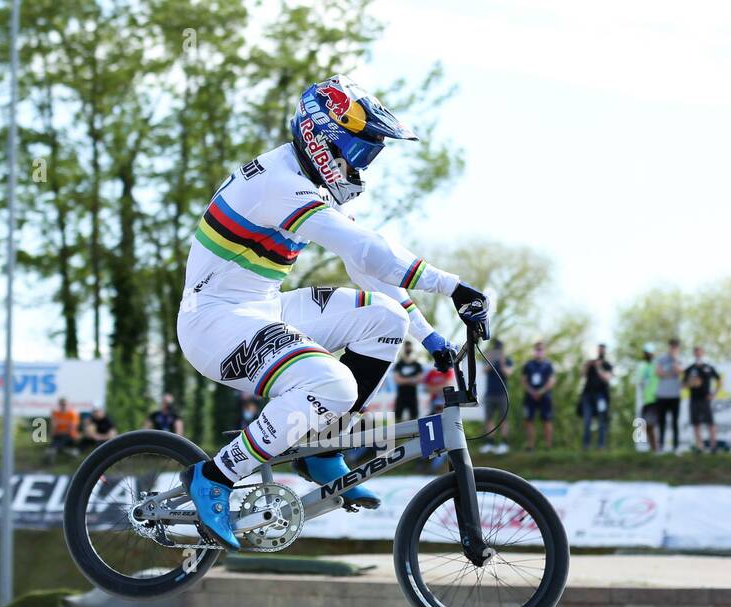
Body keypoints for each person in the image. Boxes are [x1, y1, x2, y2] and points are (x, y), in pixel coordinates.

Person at [173, 75, 489, 549]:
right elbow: (369, 249)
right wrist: (452, 286)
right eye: (361, 153)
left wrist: (426, 336)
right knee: (333, 384)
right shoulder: (283, 186)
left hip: (256, 308)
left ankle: (322, 451)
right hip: (216, 325)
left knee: (386, 319)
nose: (362, 168)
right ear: (323, 141)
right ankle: (216, 474)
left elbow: (367, 267)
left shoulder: (301, 178)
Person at [683, 345, 720, 453]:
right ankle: (700, 446)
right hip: (694, 399)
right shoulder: (690, 369)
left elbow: (719, 380)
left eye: (700, 351)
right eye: (696, 352)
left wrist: (714, 394)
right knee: (696, 423)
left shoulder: (709, 367)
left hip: (705, 399)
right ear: (694, 354)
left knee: (710, 422)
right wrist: (691, 382)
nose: (698, 354)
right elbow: (684, 384)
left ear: (703, 353)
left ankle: (713, 446)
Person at [521, 340, 555, 452]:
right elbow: (524, 380)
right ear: (534, 351)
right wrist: (531, 391)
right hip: (530, 396)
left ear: (544, 351)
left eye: (541, 349)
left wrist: (541, 391)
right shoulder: (528, 364)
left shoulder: (548, 365)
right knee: (529, 420)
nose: (539, 352)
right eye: (537, 349)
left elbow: (552, 380)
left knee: (547, 420)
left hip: (545, 396)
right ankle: (530, 446)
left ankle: (548, 446)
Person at [481, 339, 514, 453]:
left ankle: (504, 443)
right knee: (489, 419)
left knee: (503, 419)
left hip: (502, 395)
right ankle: (490, 443)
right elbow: (484, 370)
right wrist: (490, 360)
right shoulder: (489, 360)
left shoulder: (507, 360)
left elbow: (508, 373)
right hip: (490, 394)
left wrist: (502, 361)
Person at [579, 343, 613, 451]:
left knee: (602, 421)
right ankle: (586, 446)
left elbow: (607, 378)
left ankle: (601, 446)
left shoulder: (607, 365)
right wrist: (587, 365)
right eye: (599, 349)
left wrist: (598, 367)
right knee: (587, 420)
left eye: (602, 350)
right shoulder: (591, 363)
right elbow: (582, 375)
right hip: (588, 395)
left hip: (601, 397)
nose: (600, 352)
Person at [654, 339, 683, 451]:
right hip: (662, 395)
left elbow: (679, 371)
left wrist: (674, 360)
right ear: (669, 346)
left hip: (675, 395)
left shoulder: (680, 359)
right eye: (672, 346)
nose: (673, 348)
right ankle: (660, 446)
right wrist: (669, 373)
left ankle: (675, 447)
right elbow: (658, 373)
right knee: (661, 422)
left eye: (676, 347)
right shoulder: (661, 359)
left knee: (675, 422)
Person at [391, 341, 424, 425]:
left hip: (413, 395)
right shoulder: (399, 364)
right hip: (401, 395)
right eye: (406, 347)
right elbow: (397, 380)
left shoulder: (417, 364)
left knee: (414, 418)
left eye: (409, 347)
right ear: (404, 348)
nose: (408, 349)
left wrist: (404, 380)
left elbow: (420, 379)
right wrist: (412, 379)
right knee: (397, 418)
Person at [636, 344, 659, 451]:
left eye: (649, 353)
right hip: (646, 400)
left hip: (656, 399)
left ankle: (655, 448)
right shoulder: (643, 367)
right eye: (646, 353)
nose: (647, 355)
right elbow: (640, 382)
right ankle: (653, 448)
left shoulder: (657, 365)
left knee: (650, 424)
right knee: (646, 425)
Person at [46, 397, 80, 461]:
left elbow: (72, 428)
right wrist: (52, 433)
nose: (63, 406)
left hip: (69, 435)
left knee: (58, 444)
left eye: (64, 404)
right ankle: (53, 452)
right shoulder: (56, 413)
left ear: (68, 405)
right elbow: (53, 426)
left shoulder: (72, 414)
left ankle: (68, 451)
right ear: (59, 405)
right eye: (61, 404)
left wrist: (59, 429)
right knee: (54, 444)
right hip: (58, 434)